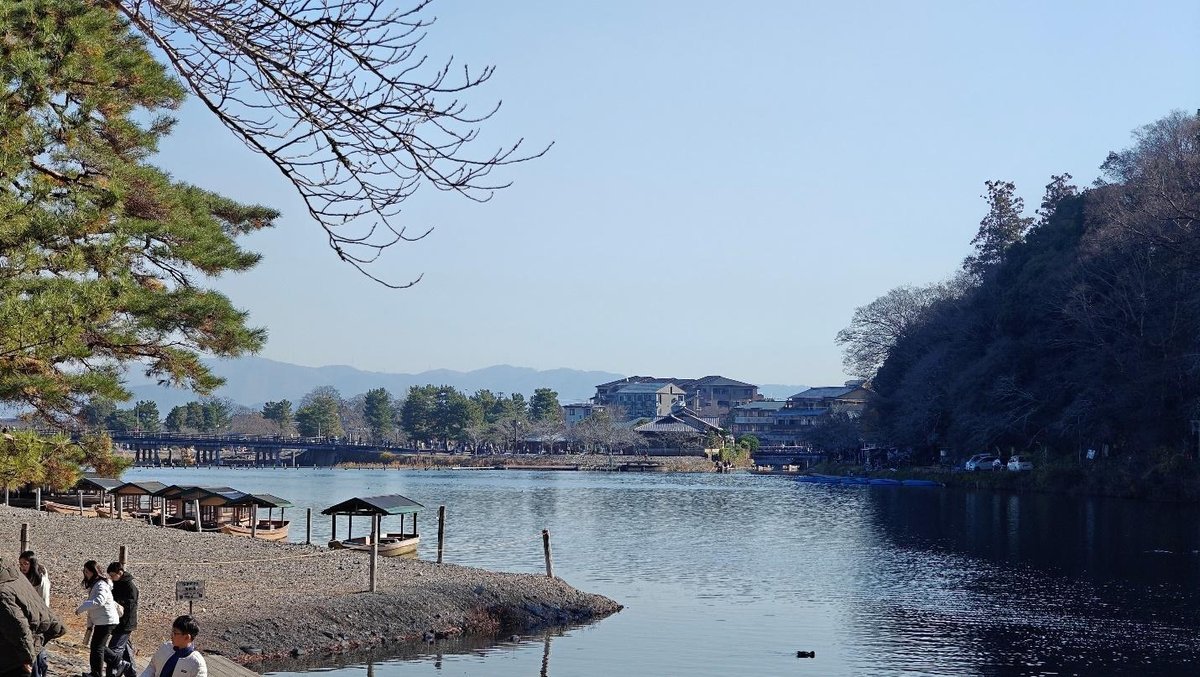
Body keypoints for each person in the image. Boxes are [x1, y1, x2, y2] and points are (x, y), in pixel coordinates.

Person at [0, 555, 66, 677]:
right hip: (34, 642)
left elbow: (17, 626)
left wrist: (27, 658)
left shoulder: (3, 592)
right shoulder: (13, 574)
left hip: (17, 658)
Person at [75, 561, 119, 677]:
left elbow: (99, 601)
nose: (85, 574)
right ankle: (115, 663)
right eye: (84, 572)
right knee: (98, 646)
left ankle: (98, 672)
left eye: (87, 572)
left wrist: (81, 608)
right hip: (102, 620)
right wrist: (89, 624)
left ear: (94, 572)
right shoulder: (96, 584)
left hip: (107, 620)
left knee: (97, 647)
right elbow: (93, 608)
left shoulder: (101, 585)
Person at [139, 616, 207, 677]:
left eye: (175, 633)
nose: (171, 635)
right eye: (172, 631)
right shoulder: (165, 647)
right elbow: (152, 667)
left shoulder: (197, 663)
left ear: (187, 637)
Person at [104, 563, 138, 677]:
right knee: (126, 650)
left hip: (125, 623)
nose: (111, 578)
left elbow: (130, 605)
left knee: (115, 649)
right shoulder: (116, 583)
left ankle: (112, 673)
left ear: (120, 573)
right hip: (118, 621)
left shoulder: (130, 586)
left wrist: (115, 603)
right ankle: (131, 673)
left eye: (112, 575)